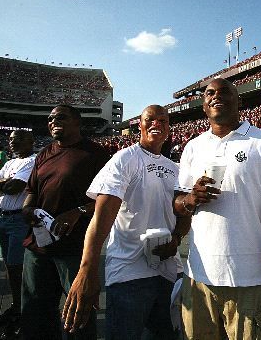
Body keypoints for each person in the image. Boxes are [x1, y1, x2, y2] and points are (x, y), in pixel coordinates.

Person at [174, 78, 261, 339]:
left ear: (239, 101)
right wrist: (192, 198)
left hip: (248, 279)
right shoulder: (193, 147)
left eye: (225, 91)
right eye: (209, 93)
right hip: (198, 278)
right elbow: (178, 204)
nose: (216, 96)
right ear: (204, 106)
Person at [62, 105, 189, 339]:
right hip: (129, 273)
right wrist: (87, 269)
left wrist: (177, 239)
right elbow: (101, 217)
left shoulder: (175, 168)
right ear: (138, 125)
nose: (157, 124)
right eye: (150, 119)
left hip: (169, 271)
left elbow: (182, 215)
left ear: (169, 128)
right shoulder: (125, 159)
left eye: (163, 120)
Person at [21, 104, 109, 340]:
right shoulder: (44, 153)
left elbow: (109, 200)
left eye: (60, 117)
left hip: (74, 249)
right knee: (35, 313)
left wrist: (77, 211)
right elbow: (32, 190)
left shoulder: (95, 153)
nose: (53, 121)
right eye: (50, 119)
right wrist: (28, 207)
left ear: (77, 122)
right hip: (38, 247)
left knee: (77, 317)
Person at [0, 130, 36, 339]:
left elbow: (15, 187)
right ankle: (16, 308)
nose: (12, 142)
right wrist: (5, 181)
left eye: (18, 139)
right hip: (3, 218)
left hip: (18, 221)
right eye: (11, 139)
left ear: (31, 141)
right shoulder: (12, 162)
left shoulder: (32, 161)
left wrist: (2, 182)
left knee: (19, 270)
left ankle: (25, 314)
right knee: (9, 267)